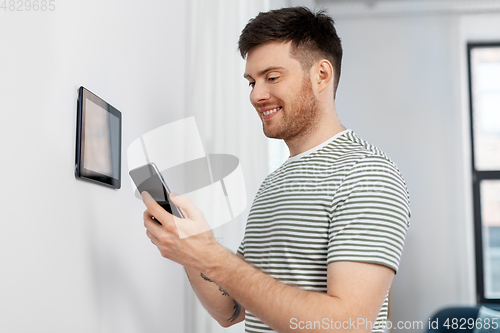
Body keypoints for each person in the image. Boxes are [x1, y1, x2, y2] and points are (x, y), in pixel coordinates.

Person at [141, 6, 411, 333]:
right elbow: (231, 310)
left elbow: (348, 325)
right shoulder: (274, 183)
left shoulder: (367, 174)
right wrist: (192, 248)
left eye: (272, 77)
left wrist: (214, 257)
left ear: (321, 75)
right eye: (251, 81)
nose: (256, 95)